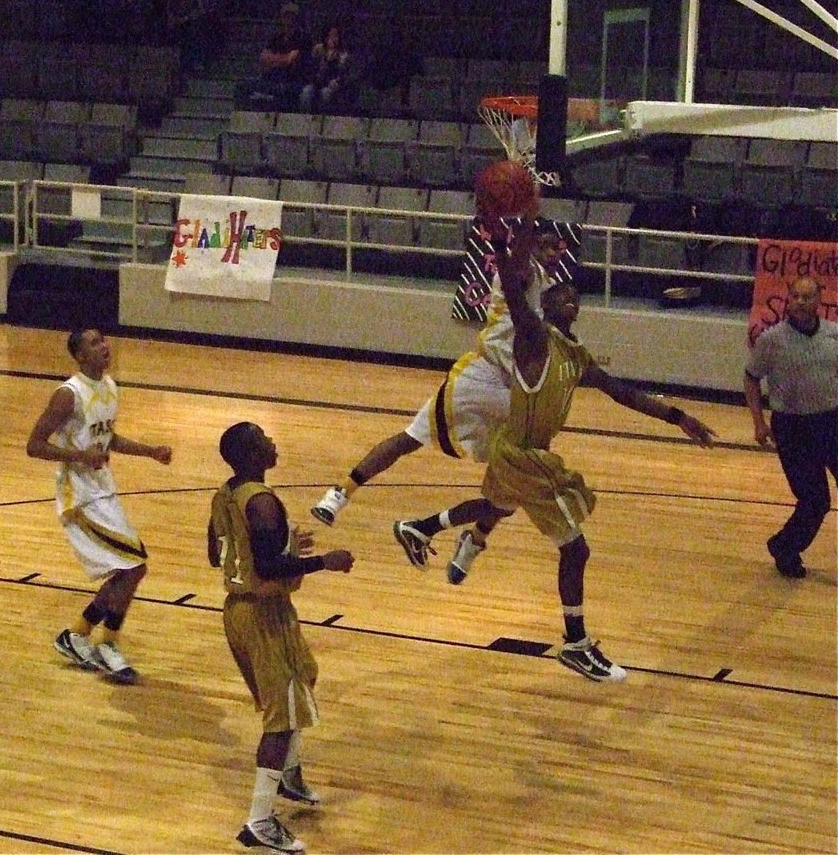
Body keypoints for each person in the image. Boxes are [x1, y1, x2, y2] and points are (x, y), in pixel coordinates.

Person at [415, 221, 715, 681]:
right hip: (526, 456)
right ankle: (575, 643)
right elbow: (515, 289)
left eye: (575, 296)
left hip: (515, 448)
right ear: (544, 306)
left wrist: (677, 417)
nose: (569, 297)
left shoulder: (576, 356)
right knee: (576, 551)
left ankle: (422, 527)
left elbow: (623, 393)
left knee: (494, 506)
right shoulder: (533, 338)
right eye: (559, 294)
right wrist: (500, 242)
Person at [311, 219, 567, 583]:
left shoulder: (555, 293)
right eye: (544, 244)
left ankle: (455, 536)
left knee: (510, 493)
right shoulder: (521, 273)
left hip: (516, 393)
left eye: (557, 246)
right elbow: (519, 257)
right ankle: (339, 494)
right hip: (482, 376)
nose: (552, 251)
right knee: (409, 438)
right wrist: (527, 209)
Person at [209, 421, 355, 853]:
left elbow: (218, 551)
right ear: (255, 454)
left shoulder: (225, 493)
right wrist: (325, 561)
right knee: (282, 719)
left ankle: (289, 776)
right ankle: (259, 821)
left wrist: (285, 545)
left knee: (303, 680)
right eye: (265, 439)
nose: (273, 443)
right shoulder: (263, 502)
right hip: (263, 614)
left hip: (236, 611)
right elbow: (270, 569)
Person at [26, 329, 172, 685]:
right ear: (79, 356)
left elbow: (108, 438)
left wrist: (149, 451)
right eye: (94, 343)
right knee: (134, 567)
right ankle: (107, 643)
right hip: (79, 497)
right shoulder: (67, 395)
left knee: (128, 570)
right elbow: (34, 445)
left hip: (103, 491)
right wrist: (80, 455)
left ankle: (77, 635)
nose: (104, 345)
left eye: (103, 339)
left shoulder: (108, 386)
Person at [743, 276, 838, 579]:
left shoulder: (834, 335)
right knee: (815, 499)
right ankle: (785, 547)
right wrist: (758, 422)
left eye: (807, 296)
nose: (800, 302)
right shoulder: (772, 340)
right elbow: (751, 377)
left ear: (819, 299)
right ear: (788, 298)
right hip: (793, 428)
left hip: (831, 421)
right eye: (795, 296)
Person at [252, 2, 312, 110]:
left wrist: (274, 58)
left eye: (291, 16)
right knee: (248, 86)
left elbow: (290, 59)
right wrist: (281, 58)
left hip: (292, 78)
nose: (288, 20)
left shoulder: (303, 38)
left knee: (280, 90)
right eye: (286, 16)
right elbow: (263, 57)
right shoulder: (276, 37)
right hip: (273, 75)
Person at [300, 24, 353, 114]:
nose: (332, 38)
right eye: (330, 35)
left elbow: (342, 74)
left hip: (331, 84)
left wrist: (332, 61)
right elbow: (311, 68)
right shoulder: (318, 49)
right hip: (316, 81)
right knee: (306, 92)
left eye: (335, 36)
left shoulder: (343, 55)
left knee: (325, 93)